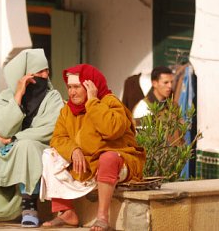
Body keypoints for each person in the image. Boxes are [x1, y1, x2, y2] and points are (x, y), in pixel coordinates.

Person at [0, 49, 64, 227]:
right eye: (39, 72)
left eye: (47, 71)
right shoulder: (5, 98)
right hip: (10, 145)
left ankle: (30, 209)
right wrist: (18, 95)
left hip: (36, 147)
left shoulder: (52, 98)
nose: (45, 76)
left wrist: (14, 139)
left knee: (26, 146)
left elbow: (50, 129)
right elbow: (3, 129)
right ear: (25, 75)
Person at [40, 64, 146, 231]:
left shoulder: (111, 102)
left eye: (76, 87)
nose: (71, 92)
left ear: (91, 86)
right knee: (49, 154)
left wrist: (93, 102)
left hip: (118, 162)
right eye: (69, 87)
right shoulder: (68, 111)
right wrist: (73, 149)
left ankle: (102, 217)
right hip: (87, 164)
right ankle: (66, 211)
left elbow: (111, 129)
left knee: (108, 157)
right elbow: (58, 138)